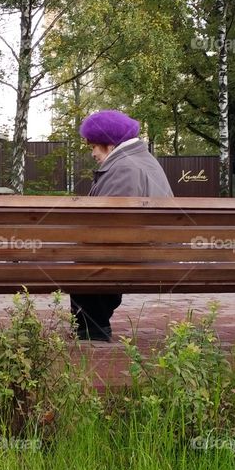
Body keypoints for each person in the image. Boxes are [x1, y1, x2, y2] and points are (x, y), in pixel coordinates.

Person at [72, 110, 174, 341]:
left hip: (133, 255)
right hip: (149, 250)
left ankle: (92, 328)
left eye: (93, 146)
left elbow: (109, 228)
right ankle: (89, 325)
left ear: (109, 143)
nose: (92, 153)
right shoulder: (141, 161)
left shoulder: (124, 168)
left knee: (85, 257)